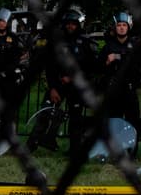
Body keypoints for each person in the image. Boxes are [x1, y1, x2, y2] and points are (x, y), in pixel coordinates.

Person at [30, 8, 97, 155]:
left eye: (73, 24)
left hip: (77, 88)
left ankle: (74, 151)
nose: (70, 26)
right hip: (58, 85)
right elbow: (50, 67)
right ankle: (32, 145)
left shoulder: (85, 43)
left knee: (76, 120)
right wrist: (53, 88)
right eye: (68, 23)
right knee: (45, 114)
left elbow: (91, 68)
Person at [98, 11, 141, 138]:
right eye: (119, 25)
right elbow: (98, 66)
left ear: (128, 27)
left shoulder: (136, 45)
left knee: (132, 122)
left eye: (124, 25)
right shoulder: (108, 46)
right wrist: (105, 62)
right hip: (113, 89)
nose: (121, 27)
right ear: (115, 27)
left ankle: (131, 152)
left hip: (130, 89)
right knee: (113, 122)